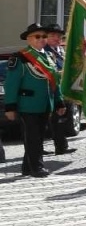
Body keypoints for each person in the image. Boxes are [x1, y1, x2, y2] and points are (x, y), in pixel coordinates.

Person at [5, 23, 67, 178]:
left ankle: (27, 167)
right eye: (37, 36)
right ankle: (37, 167)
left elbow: (55, 82)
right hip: (28, 104)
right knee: (33, 137)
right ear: (28, 39)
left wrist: (59, 101)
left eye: (44, 36)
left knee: (38, 136)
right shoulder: (20, 57)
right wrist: (10, 107)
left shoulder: (49, 57)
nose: (41, 39)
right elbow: (11, 84)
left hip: (45, 104)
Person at [42, 25, 74, 153]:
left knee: (61, 120)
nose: (57, 38)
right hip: (49, 90)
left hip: (62, 89)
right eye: (53, 36)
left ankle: (61, 146)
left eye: (59, 36)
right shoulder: (44, 51)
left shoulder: (61, 50)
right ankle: (39, 148)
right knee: (48, 121)